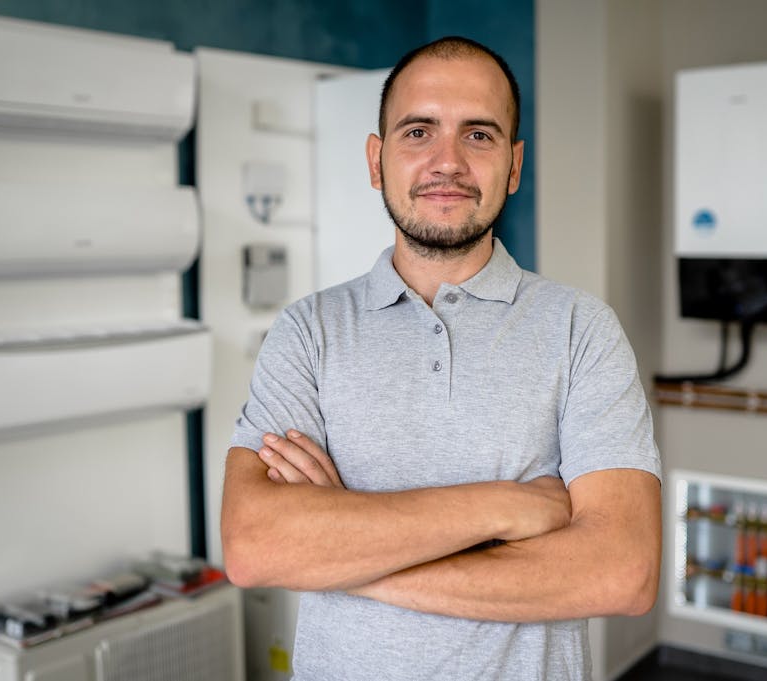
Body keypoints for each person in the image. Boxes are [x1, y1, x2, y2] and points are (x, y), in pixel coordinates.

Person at [221, 35, 662, 681]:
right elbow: (254, 546)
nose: (446, 161)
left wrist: (344, 550)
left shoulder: (579, 328)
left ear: (513, 165)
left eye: (478, 135)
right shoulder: (308, 331)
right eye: (418, 131)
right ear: (377, 159)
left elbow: (623, 571)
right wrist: (505, 505)